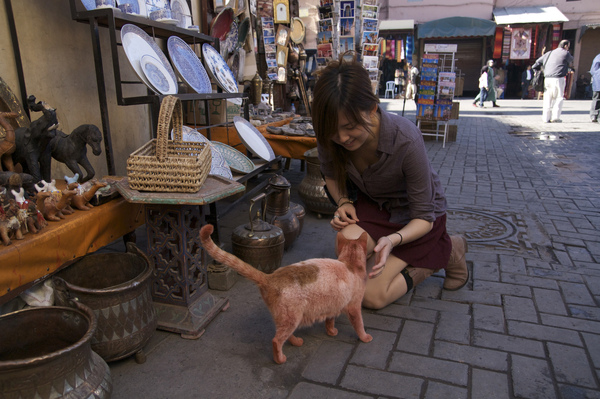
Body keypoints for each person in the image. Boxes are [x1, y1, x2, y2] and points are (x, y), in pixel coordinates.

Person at [312, 55, 468, 310]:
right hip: (377, 207)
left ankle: (447, 250)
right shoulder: (329, 133)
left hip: (418, 219)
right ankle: (409, 254)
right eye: (333, 130)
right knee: (349, 242)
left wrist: (392, 240)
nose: (341, 138)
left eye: (350, 126)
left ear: (372, 109)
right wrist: (342, 202)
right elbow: (330, 174)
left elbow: (424, 217)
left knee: (370, 296)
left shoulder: (406, 139)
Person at [532, 40, 574, 123]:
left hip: (547, 78)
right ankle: (555, 117)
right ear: (565, 46)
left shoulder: (549, 53)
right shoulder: (565, 53)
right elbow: (571, 62)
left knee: (547, 98)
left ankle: (545, 118)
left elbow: (536, 64)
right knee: (558, 98)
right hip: (558, 78)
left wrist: (536, 73)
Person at [590, 53, 600, 123]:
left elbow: (593, 70)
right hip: (598, 80)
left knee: (596, 98)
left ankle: (594, 115)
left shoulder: (598, 57)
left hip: (597, 81)